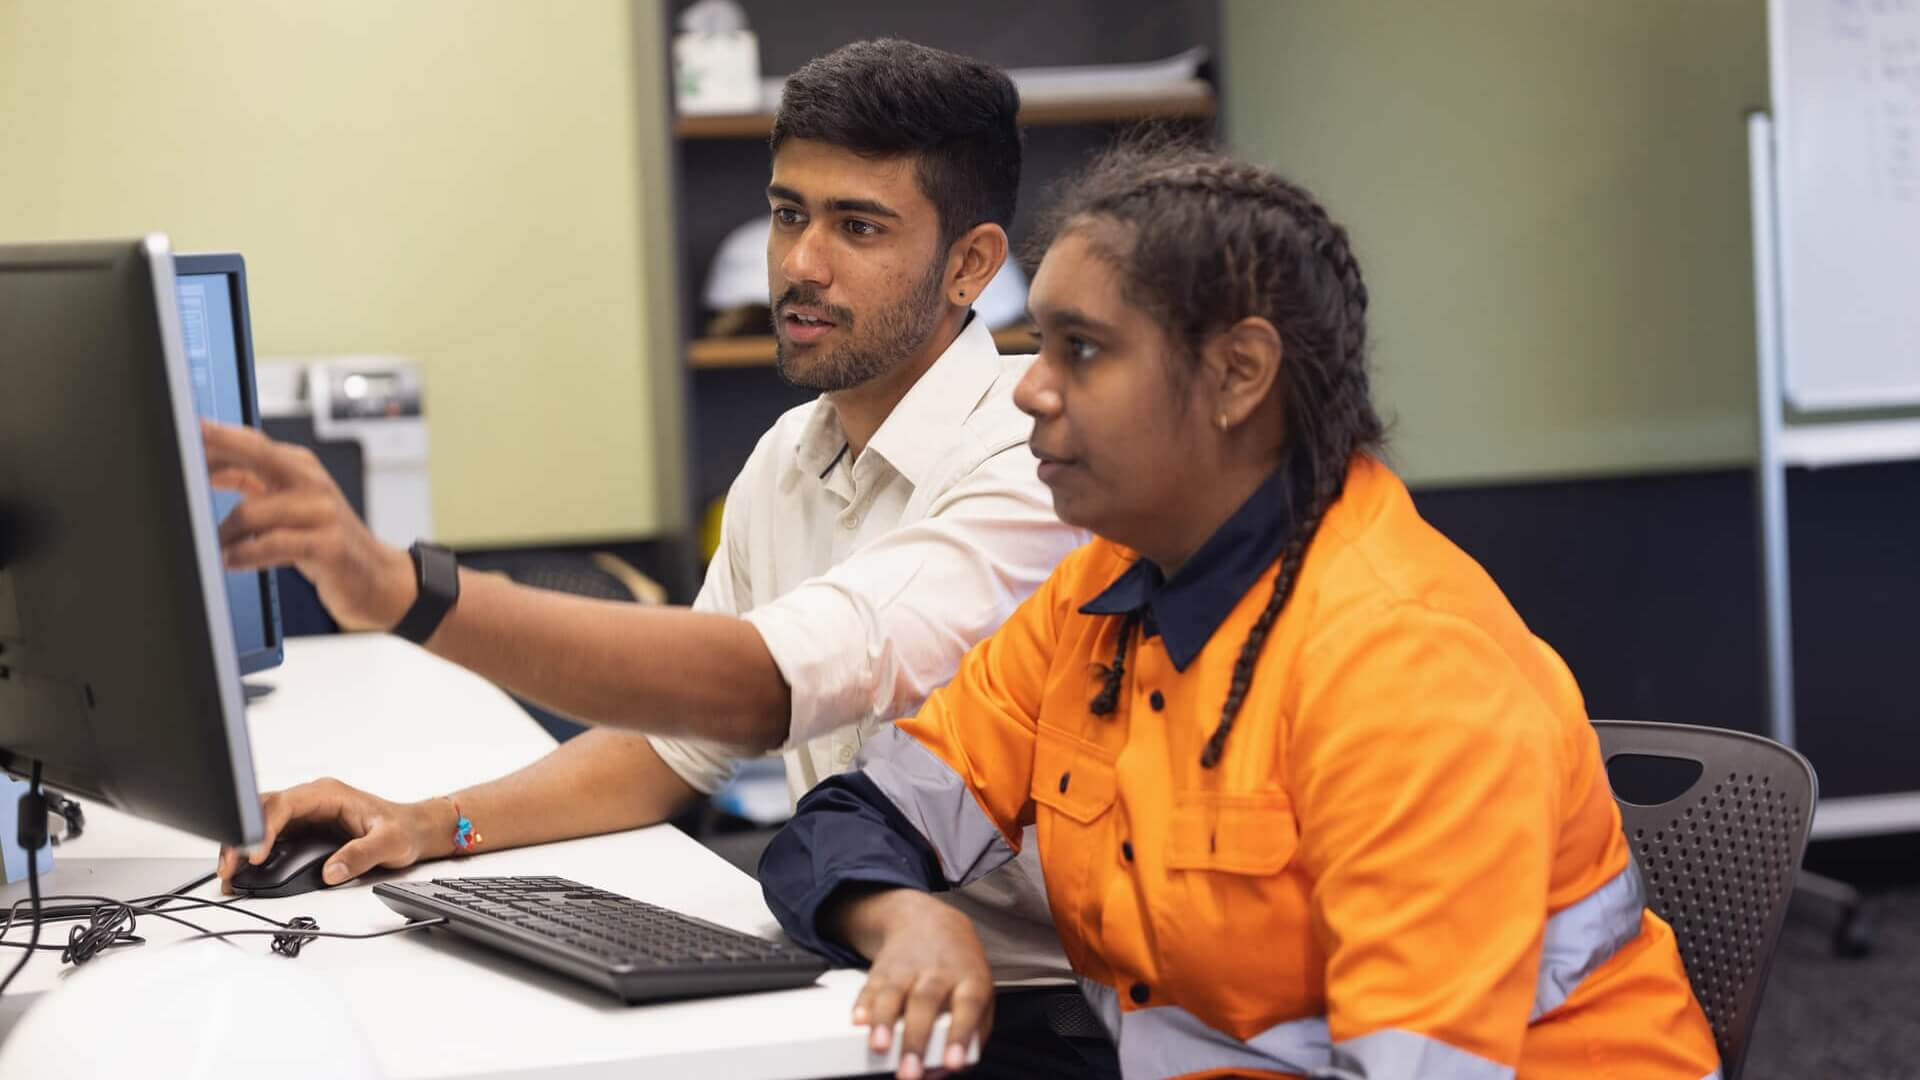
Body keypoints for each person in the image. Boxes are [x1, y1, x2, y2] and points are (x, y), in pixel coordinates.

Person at [204, 39, 1120, 1078]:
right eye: (788, 214)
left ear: (970, 264)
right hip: (858, 984)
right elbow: (675, 744)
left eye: (857, 226)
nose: (800, 264)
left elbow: (758, 689)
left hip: (1027, 1022)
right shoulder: (792, 453)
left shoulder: (1028, 465)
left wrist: (406, 592)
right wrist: (427, 823)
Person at [758, 140, 1724, 1080]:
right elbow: (851, 821)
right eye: (1039, 344)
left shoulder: (1409, 664)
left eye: (1082, 351)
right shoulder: (1101, 590)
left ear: (1237, 376)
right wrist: (906, 917)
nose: (1031, 391)